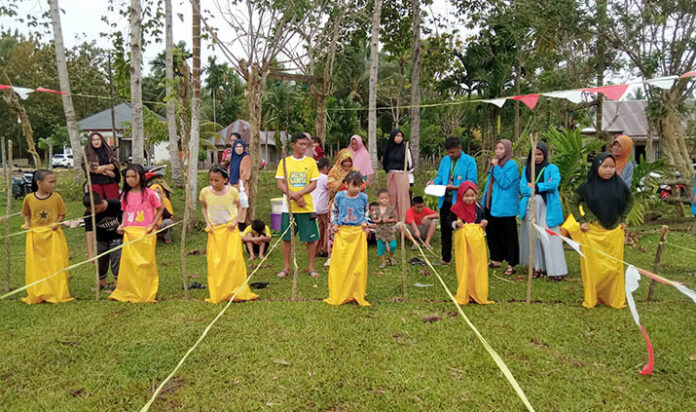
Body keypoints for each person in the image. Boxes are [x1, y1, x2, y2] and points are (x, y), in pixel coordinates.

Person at [566, 153, 633, 309]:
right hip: (592, 233)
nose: (609, 170)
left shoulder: (620, 184)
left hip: (613, 232)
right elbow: (573, 202)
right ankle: (593, 298)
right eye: (605, 166)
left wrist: (623, 219)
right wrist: (581, 221)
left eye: (612, 167)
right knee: (593, 269)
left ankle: (613, 299)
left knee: (614, 268)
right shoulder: (587, 185)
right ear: (597, 167)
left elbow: (630, 200)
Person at [200, 165, 257, 303]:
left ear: (225, 179)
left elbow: (239, 206)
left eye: (217, 180)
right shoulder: (205, 192)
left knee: (233, 260)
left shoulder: (232, 192)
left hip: (230, 230)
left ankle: (236, 291)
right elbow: (204, 207)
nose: (214, 183)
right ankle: (219, 292)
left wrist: (235, 221)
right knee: (216, 262)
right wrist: (208, 223)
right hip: (215, 231)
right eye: (211, 180)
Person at [108, 164, 164, 303]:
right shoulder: (125, 195)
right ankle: (129, 290)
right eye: (127, 177)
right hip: (130, 233)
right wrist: (122, 224)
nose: (130, 179)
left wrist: (153, 224)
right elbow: (125, 211)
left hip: (146, 233)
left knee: (145, 263)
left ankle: (146, 291)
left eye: (134, 176)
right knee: (129, 263)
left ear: (141, 177)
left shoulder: (150, 193)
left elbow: (161, 207)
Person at [518, 142, 568, 280]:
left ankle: (555, 270)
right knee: (532, 236)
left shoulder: (551, 168)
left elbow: (554, 184)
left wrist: (535, 186)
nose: (537, 157)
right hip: (530, 206)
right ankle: (537, 267)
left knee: (549, 235)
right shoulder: (526, 169)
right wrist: (535, 188)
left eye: (540, 154)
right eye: (534, 154)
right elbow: (523, 188)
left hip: (547, 207)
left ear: (545, 154)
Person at [21, 169, 72, 304]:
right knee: (37, 265)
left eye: (54, 182)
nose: (53, 185)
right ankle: (39, 292)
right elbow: (26, 213)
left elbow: (62, 213)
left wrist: (57, 222)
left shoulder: (56, 197)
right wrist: (27, 223)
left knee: (55, 263)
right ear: (39, 183)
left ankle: (56, 291)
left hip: (53, 236)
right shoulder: (29, 198)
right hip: (36, 237)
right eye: (50, 182)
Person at [275, 133, 321, 278]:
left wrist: (298, 194)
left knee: (311, 238)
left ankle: (311, 267)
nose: (303, 147)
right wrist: (293, 196)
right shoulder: (285, 162)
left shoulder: (311, 162)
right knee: (287, 238)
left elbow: (313, 184)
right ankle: (286, 267)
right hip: (288, 207)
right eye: (300, 144)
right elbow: (280, 183)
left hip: (306, 206)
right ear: (293, 145)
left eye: (305, 144)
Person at [427, 136, 477, 264]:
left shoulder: (469, 161)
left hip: (461, 201)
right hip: (445, 199)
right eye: (448, 152)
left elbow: (472, 183)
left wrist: (456, 187)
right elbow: (440, 177)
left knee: (463, 229)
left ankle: (466, 257)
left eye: (453, 152)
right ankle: (445, 258)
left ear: (460, 148)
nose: (451, 155)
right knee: (445, 229)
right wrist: (434, 182)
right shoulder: (445, 160)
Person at [325, 171, 371, 306]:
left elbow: (366, 212)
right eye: (354, 185)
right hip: (342, 233)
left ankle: (356, 291)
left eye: (359, 186)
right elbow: (334, 211)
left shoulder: (363, 197)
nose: (357, 189)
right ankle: (340, 291)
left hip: (357, 234)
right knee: (341, 263)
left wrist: (365, 222)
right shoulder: (339, 197)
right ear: (345, 184)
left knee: (357, 264)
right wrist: (334, 224)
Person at [449, 181, 493, 305]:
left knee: (477, 265)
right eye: (466, 196)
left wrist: (484, 223)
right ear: (461, 196)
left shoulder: (478, 207)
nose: (470, 199)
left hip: (476, 241)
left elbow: (483, 219)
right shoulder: (456, 208)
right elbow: (449, 222)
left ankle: (478, 292)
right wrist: (456, 224)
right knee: (465, 265)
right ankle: (465, 292)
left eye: (472, 195)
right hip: (463, 241)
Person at [482, 139, 520, 275]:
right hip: (491, 203)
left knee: (509, 235)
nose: (498, 151)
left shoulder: (511, 165)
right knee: (492, 233)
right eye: (497, 148)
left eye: (501, 149)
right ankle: (496, 259)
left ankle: (512, 263)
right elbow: (490, 184)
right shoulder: (495, 165)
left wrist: (496, 167)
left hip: (505, 206)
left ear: (508, 150)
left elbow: (504, 182)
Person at [325, 148, 362, 266]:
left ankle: (350, 256)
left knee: (351, 231)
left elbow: (361, 186)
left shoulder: (355, 171)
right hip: (337, 205)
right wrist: (342, 182)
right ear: (340, 160)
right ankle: (331, 256)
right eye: (344, 161)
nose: (347, 164)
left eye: (349, 161)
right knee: (333, 230)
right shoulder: (334, 171)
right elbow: (330, 185)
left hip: (353, 205)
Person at [83, 191, 122, 293]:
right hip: (101, 240)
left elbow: (127, 213)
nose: (93, 212)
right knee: (100, 261)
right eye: (90, 210)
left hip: (117, 238)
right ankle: (101, 282)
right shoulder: (88, 215)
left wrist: (124, 225)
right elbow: (89, 232)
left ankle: (117, 284)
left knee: (116, 260)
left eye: (95, 209)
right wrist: (90, 253)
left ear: (101, 202)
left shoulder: (116, 204)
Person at [382, 129, 412, 220]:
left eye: (401, 136)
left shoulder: (405, 148)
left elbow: (410, 163)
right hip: (391, 175)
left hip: (402, 174)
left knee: (402, 198)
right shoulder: (389, 148)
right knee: (392, 197)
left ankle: (403, 219)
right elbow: (385, 161)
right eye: (397, 136)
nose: (399, 138)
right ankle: (392, 219)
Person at [221, 134, 251, 226]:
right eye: (237, 147)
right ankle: (232, 224)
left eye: (241, 146)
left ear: (244, 147)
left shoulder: (246, 157)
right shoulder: (232, 158)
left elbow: (246, 174)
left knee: (241, 205)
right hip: (232, 184)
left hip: (241, 186)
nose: (239, 149)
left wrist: (239, 185)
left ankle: (241, 225)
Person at [83, 132, 120, 200]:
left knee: (113, 203)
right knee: (98, 203)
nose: (96, 142)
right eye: (93, 140)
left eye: (98, 139)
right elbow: (90, 167)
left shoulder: (109, 151)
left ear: (102, 140)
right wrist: (105, 169)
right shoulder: (87, 153)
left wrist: (102, 168)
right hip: (95, 181)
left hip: (109, 180)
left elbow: (114, 164)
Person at [372, 189, 398, 268]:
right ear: (378, 199)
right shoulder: (376, 210)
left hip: (389, 230)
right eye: (382, 198)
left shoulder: (391, 209)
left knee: (393, 245)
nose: (384, 200)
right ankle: (383, 262)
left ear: (389, 199)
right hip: (380, 231)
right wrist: (378, 220)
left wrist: (388, 220)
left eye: (386, 198)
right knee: (381, 247)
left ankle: (390, 257)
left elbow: (395, 219)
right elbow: (373, 219)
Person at [312, 158, 331, 257]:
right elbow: (331, 188)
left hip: (314, 207)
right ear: (325, 168)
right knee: (327, 226)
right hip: (323, 207)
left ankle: (316, 248)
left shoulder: (314, 177)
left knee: (319, 227)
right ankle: (324, 248)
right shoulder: (325, 178)